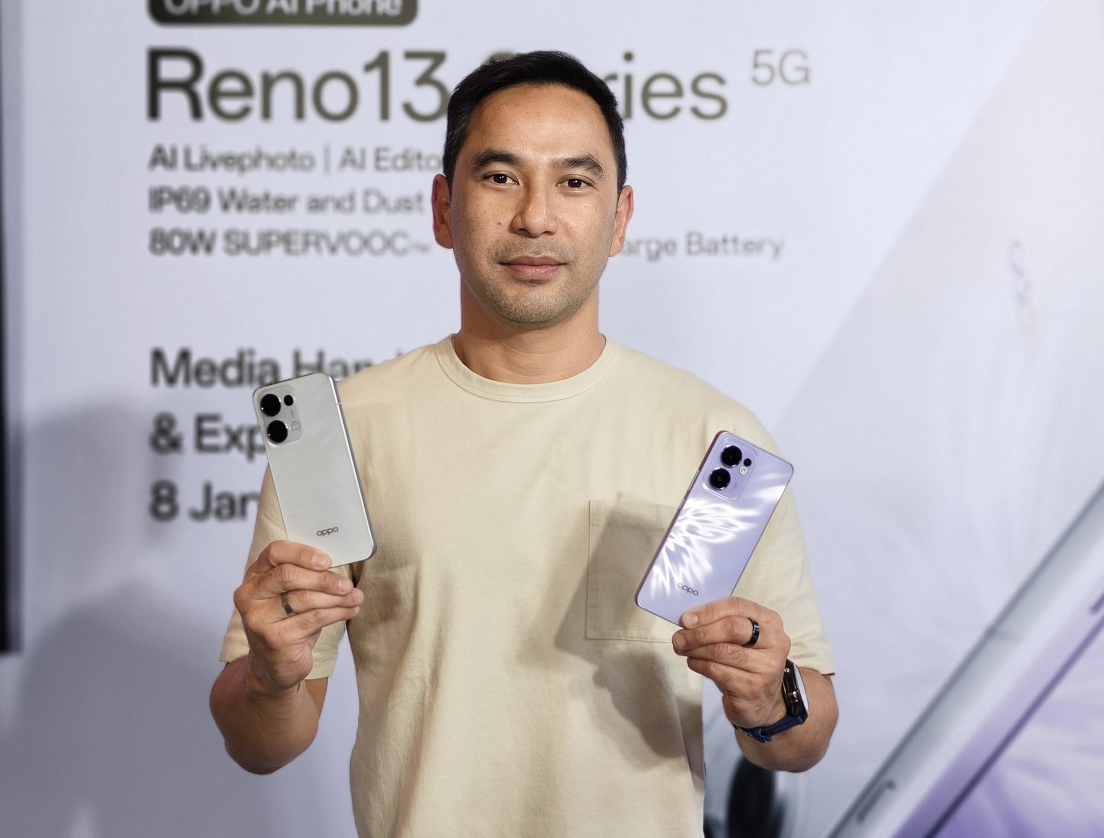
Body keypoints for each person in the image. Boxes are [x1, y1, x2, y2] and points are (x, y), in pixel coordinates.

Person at [210, 50, 837, 837]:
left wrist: (769, 698)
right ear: (443, 209)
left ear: (620, 218)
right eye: (501, 177)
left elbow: (805, 738)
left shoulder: (712, 438)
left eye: (574, 181)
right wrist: (270, 679)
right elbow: (262, 745)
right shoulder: (344, 432)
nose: (536, 216)